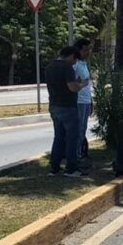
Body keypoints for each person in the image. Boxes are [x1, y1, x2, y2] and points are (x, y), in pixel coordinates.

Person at [46, 46, 87, 177]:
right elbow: (72, 88)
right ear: (71, 56)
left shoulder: (50, 67)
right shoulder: (66, 67)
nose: (74, 63)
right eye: (75, 59)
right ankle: (71, 168)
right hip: (68, 107)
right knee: (72, 138)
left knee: (58, 137)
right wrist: (81, 84)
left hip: (54, 105)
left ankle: (54, 167)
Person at [74, 38, 93, 161]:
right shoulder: (74, 65)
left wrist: (91, 101)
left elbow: (87, 83)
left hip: (86, 100)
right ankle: (76, 154)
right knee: (79, 128)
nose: (87, 53)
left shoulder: (83, 64)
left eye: (88, 50)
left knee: (83, 128)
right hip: (79, 101)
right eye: (85, 50)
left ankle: (80, 151)